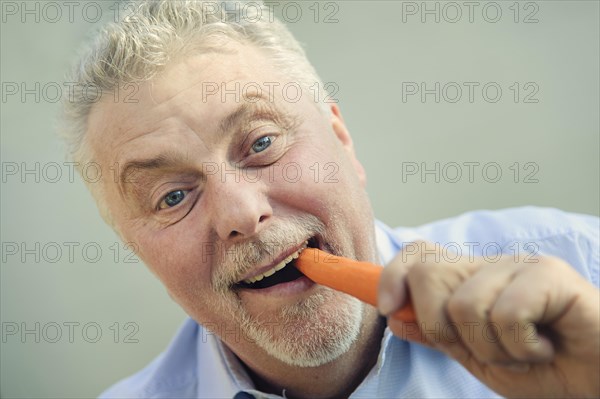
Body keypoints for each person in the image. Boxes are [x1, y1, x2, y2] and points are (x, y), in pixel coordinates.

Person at [61, 1, 599, 397]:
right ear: (139, 251)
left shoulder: (582, 268)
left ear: (342, 139)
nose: (242, 215)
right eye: (173, 196)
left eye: (262, 143)